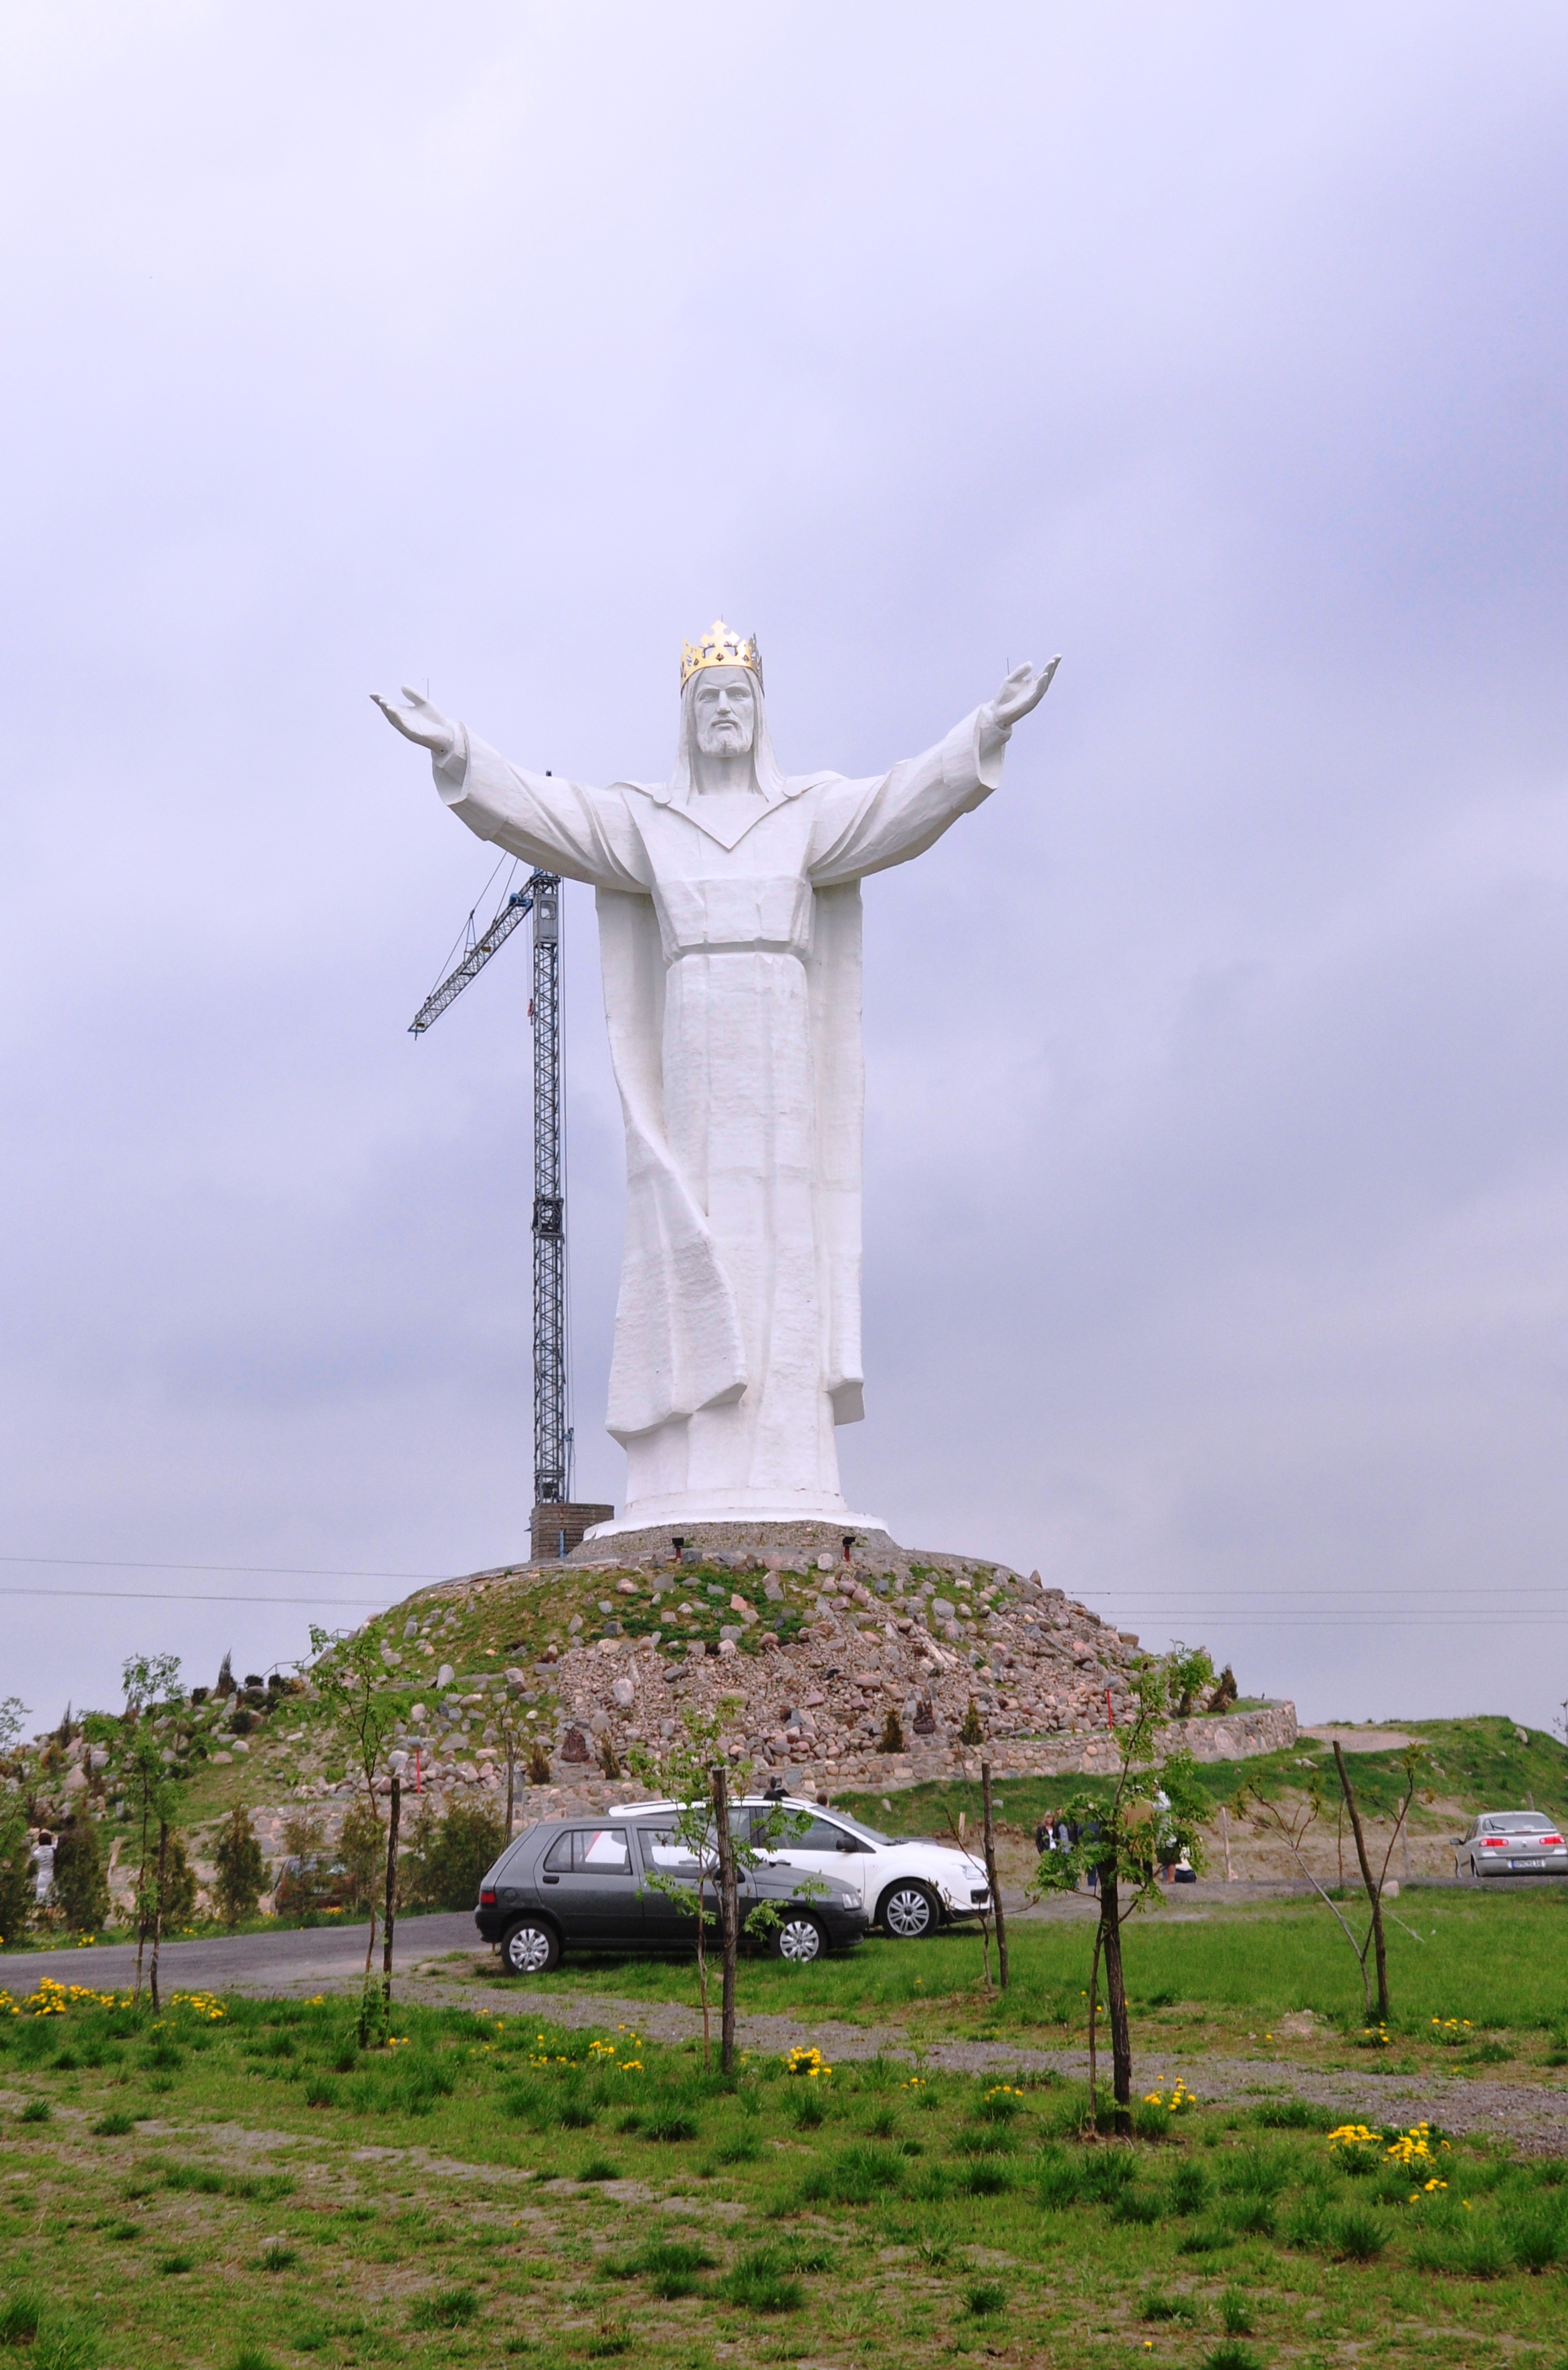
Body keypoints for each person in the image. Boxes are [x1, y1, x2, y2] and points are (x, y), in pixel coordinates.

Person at [375, 631, 1057, 1528]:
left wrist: (984, 727)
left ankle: (787, 1457)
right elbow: (553, 819)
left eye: (739, 695)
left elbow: (901, 804)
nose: (725, 711)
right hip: (696, 1057)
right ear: (687, 719)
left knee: (784, 1240)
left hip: (781, 1056)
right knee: (694, 1236)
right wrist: (460, 749)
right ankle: (689, 1458)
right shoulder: (650, 821)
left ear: (761, 711)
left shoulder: (807, 814)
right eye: (710, 699)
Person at [30, 1831, 55, 1907]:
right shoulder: (53, 1851)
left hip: (41, 1874)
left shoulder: (36, 1853)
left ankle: (40, 1905)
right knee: (51, 1891)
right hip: (51, 1873)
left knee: (41, 1890)